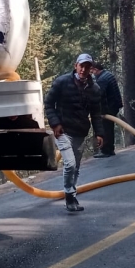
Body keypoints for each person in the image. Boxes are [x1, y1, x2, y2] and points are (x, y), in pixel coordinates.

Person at [44, 53, 105, 212]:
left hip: (80, 132)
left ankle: (72, 194)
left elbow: (96, 113)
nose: (84, 69)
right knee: (69, 164)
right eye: (81, 66)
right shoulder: (62, 82)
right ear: (75, 66)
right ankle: (69, 196)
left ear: (91, 69)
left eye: (87, 66)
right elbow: (49, 104)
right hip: (63, 131)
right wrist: (55, 123)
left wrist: (100, 133)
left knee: (76, 166)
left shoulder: (94, 88)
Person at [91, 62, 123, 158]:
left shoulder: (102, 79)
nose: (91, 73)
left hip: (109, 107)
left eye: (92, 70)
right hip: (113, 105)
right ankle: (109, 149)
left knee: (105, 128)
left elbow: (98, 94)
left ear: (95, 69)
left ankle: (105, 150)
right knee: (109, 127)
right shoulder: (107, 74)